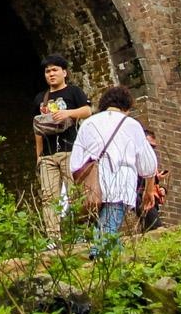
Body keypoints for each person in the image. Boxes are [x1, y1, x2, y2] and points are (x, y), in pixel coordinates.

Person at [66, 86, 158, 259]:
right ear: (127, 106)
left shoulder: (88, 123)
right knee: (108, 228)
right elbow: (148, 163)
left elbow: (75, 163)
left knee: (101, 226)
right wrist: (149, 190)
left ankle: (117, 264)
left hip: (93, 185)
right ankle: (99, 259)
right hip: (121, 184)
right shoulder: (131, 125)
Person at [31, 56, 91, 241]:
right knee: (49, 197)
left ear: (64, 72)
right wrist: (39, 155)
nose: (51, 74)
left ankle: (80, 233)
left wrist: (68, 113)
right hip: (48, 154)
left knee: (75, 193)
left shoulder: (73, 92)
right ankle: (53, 238)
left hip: (70, 150)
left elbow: (88, 111)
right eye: (48, 71)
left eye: (55, 70)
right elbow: (37, 129)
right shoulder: (41, 98)